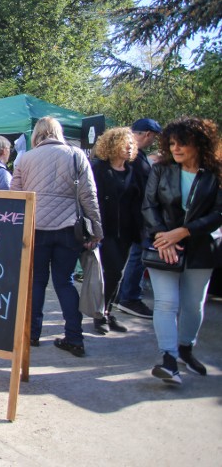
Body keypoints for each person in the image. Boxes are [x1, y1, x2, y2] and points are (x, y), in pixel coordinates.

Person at [10, 117, 103, 358]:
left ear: (37, 134)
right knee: (65, 281)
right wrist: (97, 230)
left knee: (37, 281)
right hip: (68, 229)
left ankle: (31, 333)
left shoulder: (25, 158)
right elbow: (89, 196)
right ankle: (74, 337)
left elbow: (15, 196)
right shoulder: (76, 156)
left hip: (35, 228)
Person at [142, 117, 221, 384]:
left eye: (182, 143)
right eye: (172, 143)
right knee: (165, 303)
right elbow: (149, 205)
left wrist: (184, 231)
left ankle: (186, 348)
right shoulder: (161, 169)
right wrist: (164, 237)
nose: (175, 148)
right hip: (162, 245)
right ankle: (169, 359)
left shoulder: (215, 172)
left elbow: (218, 213)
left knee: (192, 305)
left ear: (199, 144)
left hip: (200, 246)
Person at [91, 127, 143, 335]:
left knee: (117, 274)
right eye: (125, 143)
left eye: (132, 144)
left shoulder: (133, 171)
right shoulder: (99, 168)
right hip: (105, 229)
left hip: (127, 231)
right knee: (108, 273)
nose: (129, 147)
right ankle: (100, 314)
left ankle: (107, 311)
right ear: (112, 145)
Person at [115, 118, 163, 319]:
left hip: (131, 214)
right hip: (135, 215)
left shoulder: (132, 153)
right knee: (138, 255)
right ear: (147, 135)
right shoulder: (132, 154)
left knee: (132, 255)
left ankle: (123, 295)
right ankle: (129, 297)